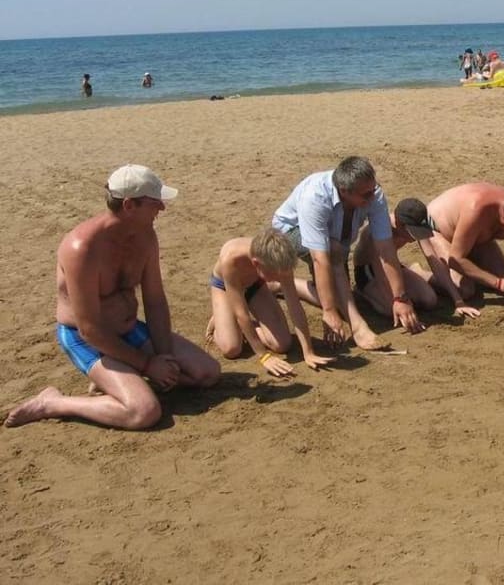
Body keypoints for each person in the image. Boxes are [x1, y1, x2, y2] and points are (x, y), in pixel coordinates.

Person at [4, 165, 220, 430]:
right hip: (87, 339)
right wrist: (148, 364)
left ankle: (120, 375)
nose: (162, 209)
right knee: (144, 412)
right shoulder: (82, 249)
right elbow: (89, 329)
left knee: (207, 373)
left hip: (128, 330)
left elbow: (155, 300)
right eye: (154, 203)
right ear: (129, 205)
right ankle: (53, 402)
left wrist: (165, 358)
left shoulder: (145, 237)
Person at [271, 156, 425, 351]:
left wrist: (400, 298)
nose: (372, 197)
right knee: (334, 276)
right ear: (344, 191)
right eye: (365, 195)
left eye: (373, 189)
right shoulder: (315, 197)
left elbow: (385, 248)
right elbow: (320, 259)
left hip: (333, 242)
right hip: (291, 231)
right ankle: (358, 325)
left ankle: (282, 285)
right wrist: (328, 312)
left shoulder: (374, 193)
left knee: (336, 295)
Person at [207, 228, 335, 375]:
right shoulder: (231, 260)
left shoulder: (280, 259)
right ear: (256, 264)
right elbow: (241, 314)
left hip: (254, 286)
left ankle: (238, 323)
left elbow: (294, 305)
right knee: (231, 348)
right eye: (274, 275)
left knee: (282, 345)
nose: (280, 278)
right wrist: (264, 356)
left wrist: (308, 351)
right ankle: (220, 318)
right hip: (225, 288)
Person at [353, 198, 481, 319]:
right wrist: (400, 300)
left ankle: (414, 271)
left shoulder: (416, 223)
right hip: (369, 270)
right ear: (399, 224)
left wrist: (458, 301)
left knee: (429, 300)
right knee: (390, 310)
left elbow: (433, 259)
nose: (415, 237)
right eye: (412, 232)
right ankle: (363, 291)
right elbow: (380, 270)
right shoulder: (379, 230)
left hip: (394, 265)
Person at [424, 183, 504, 301]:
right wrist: (498, 283)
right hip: (437, 229)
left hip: (474, 237)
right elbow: (455, 259)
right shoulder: (476, 211)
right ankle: (420, 275)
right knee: (464, 289)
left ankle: (471, 265)